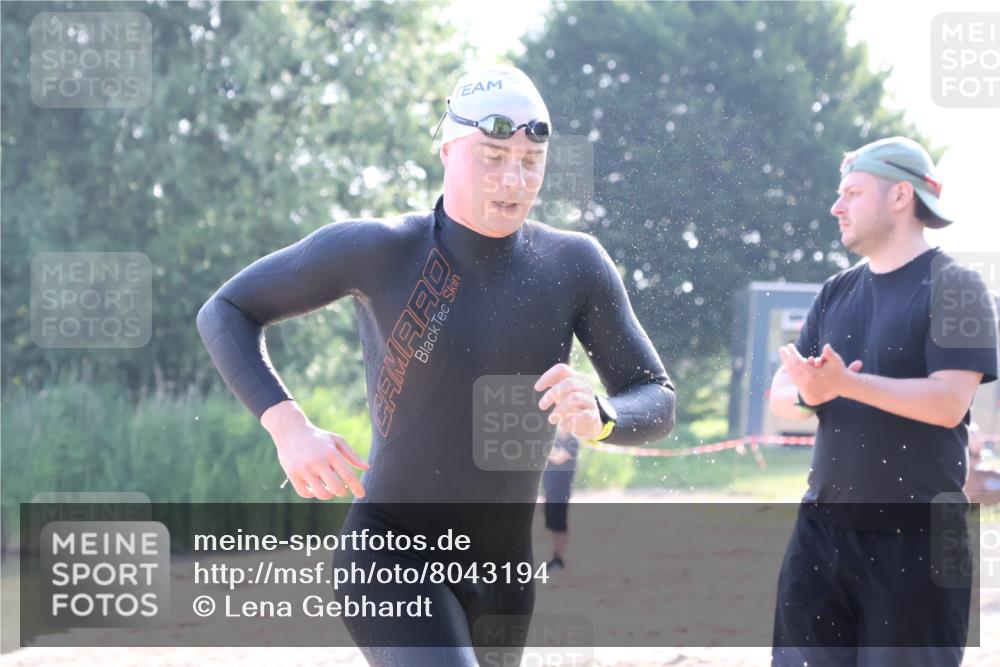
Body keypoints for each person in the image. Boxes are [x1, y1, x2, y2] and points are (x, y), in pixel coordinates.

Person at [196, 63, 676, 667]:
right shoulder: (379, 250)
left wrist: (603, 413)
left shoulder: (574, 264)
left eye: (531, 161)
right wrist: (288, 426)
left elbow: (654, 396)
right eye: (493, 156)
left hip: (503, 575)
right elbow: (227, 310)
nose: (514, 179)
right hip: (390, 554)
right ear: (448, 149)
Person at [767, 136, 999, 666]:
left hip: (917, 542)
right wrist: (810, 391)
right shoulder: (836, 292)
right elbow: (783, 391)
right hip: (819, 533)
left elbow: (947, 402)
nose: (836, 206)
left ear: (900, 197)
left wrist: (846, 386)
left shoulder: (956, 287)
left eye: (851, 192)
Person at [542, 425, 580, 571]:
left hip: (561, 491)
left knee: (559, 526)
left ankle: (559, 558)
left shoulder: (573, 442)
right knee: (553, 525)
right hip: (551, 492)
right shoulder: (555, 440)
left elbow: (558, 458)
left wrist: (542, 445)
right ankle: (555, 557)